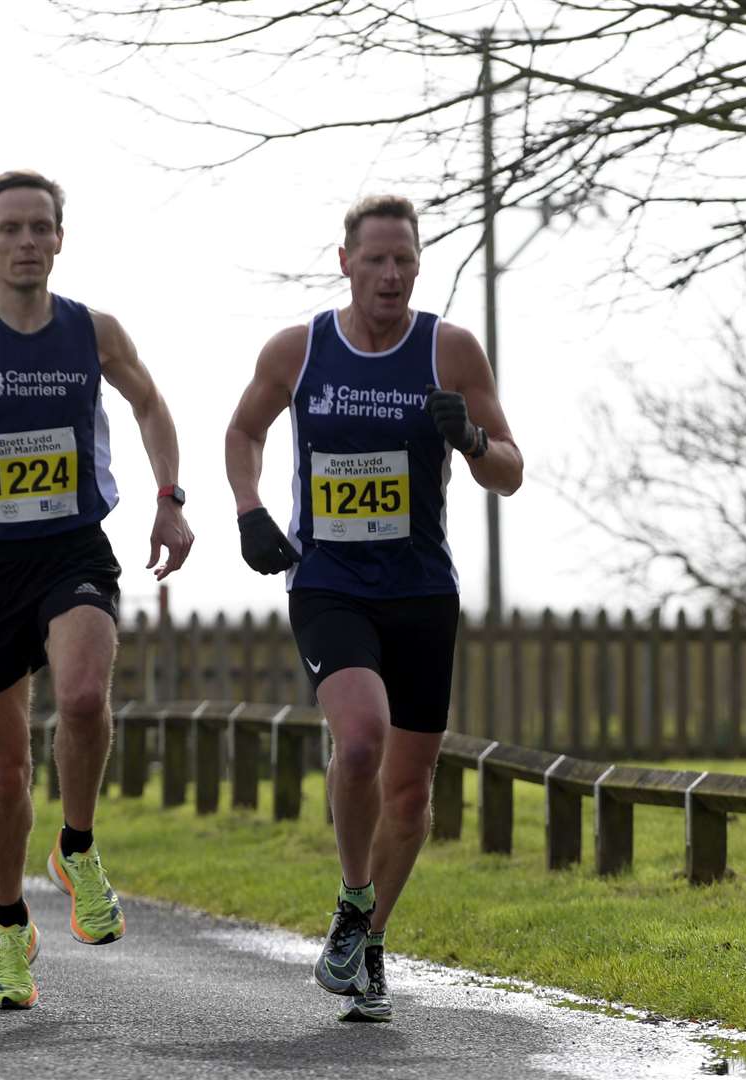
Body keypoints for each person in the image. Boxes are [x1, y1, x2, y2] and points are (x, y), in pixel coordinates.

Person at [0, 170, 194, 1009]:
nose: (26, 242)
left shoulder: (93, 330)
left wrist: (169, 500)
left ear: (61, 238)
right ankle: (10, 923)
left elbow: (152, 405)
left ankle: (80, 848)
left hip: (72, 547)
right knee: (6, 764)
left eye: (41, 228)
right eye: (10, 229)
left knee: (86, 696)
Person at [225, 195, 522, 1023]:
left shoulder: (450, 350)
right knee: (359, 742)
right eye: (377, 259)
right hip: (330, 582)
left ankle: (370, 943)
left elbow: (510, 469)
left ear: (419, 264)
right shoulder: (301, 349)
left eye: (405, 260)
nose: (391, 275)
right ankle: (355, 900)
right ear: (347, 262)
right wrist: (251, 510)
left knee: (411, 793)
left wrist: (469, 440)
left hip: (422, 589)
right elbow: (243, 430)